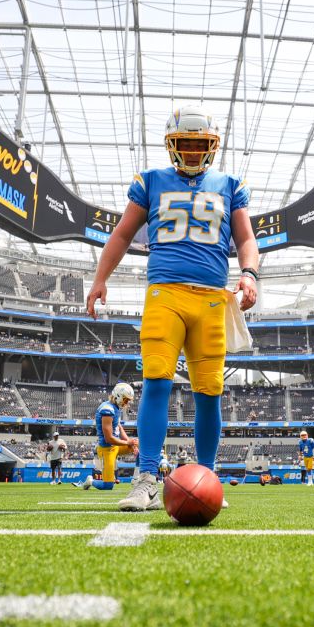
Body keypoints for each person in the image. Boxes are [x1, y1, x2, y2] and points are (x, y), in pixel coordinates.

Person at [84, 106, 259, 512]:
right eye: (186, 144)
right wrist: (99, 278)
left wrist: (248, 273)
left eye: (201, 145)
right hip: (165, 293)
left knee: (210, 393)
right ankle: (145, 477)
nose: (195, 152)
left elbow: (247, 238)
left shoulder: (230, 184)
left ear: (211, 147)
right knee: (158, 381)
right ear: (172, 145)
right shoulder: (151, 181)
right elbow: (123, 233)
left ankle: (208, 476)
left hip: (213, 299)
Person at [78, 384, 146, 500]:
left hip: (116, 446)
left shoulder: (115, 407)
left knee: (142, 444)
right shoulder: (107, 409)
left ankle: (136, 478)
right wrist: (127, 443)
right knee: (108, 485)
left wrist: (130, 441)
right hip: (107, 448)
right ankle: (91, 480)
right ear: (118, 396)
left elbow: (119, 427)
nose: (127, 403)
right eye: (125, 399)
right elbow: (109, 438)